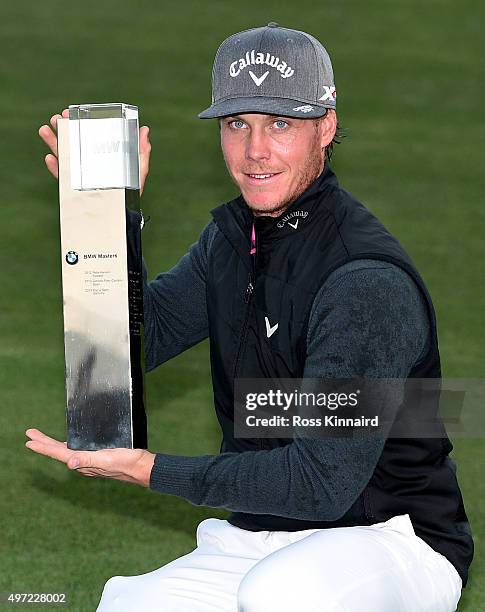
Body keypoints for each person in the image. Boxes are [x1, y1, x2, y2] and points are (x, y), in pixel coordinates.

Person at [30, 23, 473, 612]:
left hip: (390, 537)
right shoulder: (233, 239)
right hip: (260, 533)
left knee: (284, 597)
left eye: (280, 124)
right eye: (238, 124)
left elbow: (322, 482)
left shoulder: (365, 281)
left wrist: (153, 470)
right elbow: (133, 345)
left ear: (327, 126)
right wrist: (102, 220)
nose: (255, 151)